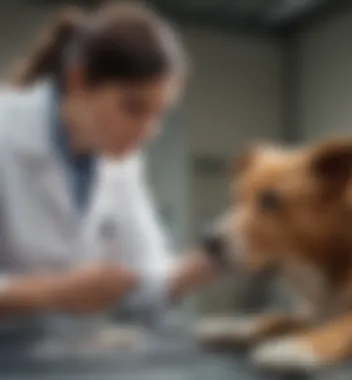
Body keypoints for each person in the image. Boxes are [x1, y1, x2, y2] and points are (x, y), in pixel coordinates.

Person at [0, 2, 215, 336]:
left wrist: (216, 259)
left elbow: (148, 284)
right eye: (133, 107)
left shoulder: (121, 163)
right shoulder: (5, 132)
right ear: (78, 81)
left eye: (159, 114)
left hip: (63, 361)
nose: (147, 131)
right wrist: (54, 292)